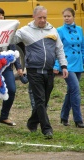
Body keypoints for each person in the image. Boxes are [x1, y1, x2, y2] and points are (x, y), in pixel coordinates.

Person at [11, 6, 68, 139]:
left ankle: (32, 122)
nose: (42, 20)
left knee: (44, 100)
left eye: (44, 17)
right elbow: (11, 40)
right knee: (40, 100)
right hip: (34, 70)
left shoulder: (53, 30)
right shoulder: (25, 31)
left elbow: (59, 49)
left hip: (49, 71)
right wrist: (11, 29)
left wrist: (64, 66)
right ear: (34, 17)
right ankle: (46, 129)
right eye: (40, 17)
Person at [0, 7, 23, 126]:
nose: (1, 17)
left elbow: (13, 50)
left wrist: (18, 66)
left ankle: (4, 116)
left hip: (7, 66)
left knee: (12, 90)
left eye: (2, 14)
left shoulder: (8, 30)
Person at [53, 8, 84, 128]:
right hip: (66, 65)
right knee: (76, 90)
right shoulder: (59, 30)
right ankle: (78, 119)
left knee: (71, 91)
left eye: (68, 16)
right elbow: (56, 49)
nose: (66, 18)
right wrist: (56, 65)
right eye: (64, 16)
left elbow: (82, 47)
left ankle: (64, 116)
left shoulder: (79, 29)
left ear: (73, 16)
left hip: (78, 64)